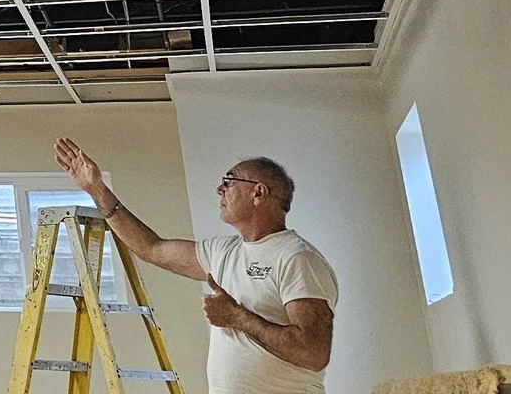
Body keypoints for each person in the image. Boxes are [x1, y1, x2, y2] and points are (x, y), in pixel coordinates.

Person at [52, 138, 337, 394]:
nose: (219, 189)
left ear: (258, 193)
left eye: (230, 181)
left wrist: (237, 316)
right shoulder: (224, 252)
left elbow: (312, 352)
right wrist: (98, 191)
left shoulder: (297, 259)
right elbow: (152, 249)